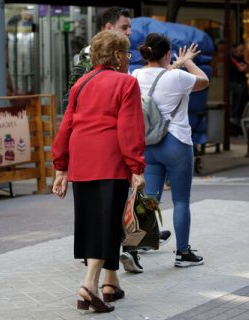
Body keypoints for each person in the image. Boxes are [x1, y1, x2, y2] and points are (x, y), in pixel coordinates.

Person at [52, 30, 146, 313]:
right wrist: (137, 167)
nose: (128, 59)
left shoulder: (80, 84)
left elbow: (66, 125)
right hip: (111, 161)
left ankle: (110, 283)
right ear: (118, 56)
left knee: (95, 221)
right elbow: (129, 129)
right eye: (127, 54)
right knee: (106, 225)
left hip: (82, 161)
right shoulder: (126, 83)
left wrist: (60, 167)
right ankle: (89, 285)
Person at [132, 33, 209, 268]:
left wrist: (175, 63)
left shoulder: (135, 76)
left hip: (149, 144)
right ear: (167, 54)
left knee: (149, 199)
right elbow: (203, 80)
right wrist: (187, 61)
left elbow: (158, 74)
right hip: (176, 143)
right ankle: (183, 253)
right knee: (181, 200)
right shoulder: (178, 77)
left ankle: (137, 245)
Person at [230, 42, 249, 131]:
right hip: (236, 85)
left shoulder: (241, 58)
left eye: (242, 50)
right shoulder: (231, 59)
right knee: (237, 106)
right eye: (240, 49)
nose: (241, 51)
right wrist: (243, 67)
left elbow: (247, 67)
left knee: (242, 105)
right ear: (235, 50)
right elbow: (241, 69)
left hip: (242, 84)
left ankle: (239, 125)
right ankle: (234, 126)